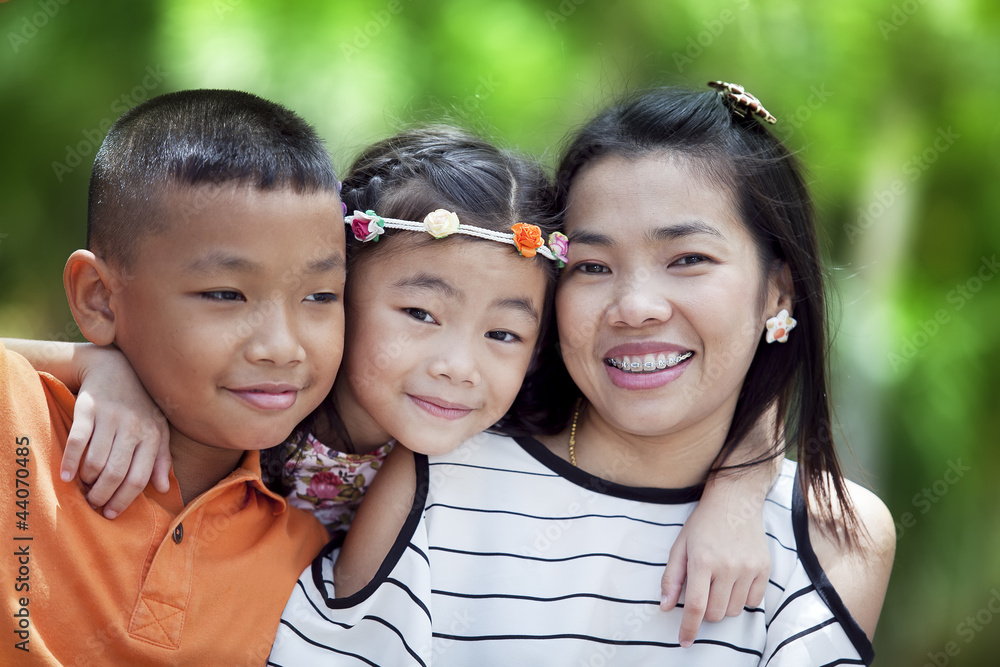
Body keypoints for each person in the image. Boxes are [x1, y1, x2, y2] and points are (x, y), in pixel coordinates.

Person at [12, 125, 783, 652]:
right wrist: (101, 364)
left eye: (504, 333)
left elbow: (732, 388)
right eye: (419, 312)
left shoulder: (506, 427)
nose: (458, 364)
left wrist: (739, 493)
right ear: (338, 289)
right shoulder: (268, 380)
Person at [271, 83, 895, 665]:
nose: (635, 306)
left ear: (778, 292)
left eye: (688, 258)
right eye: (593, 266)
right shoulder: (442, 473)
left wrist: (741, 482)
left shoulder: (833, 537)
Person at [0, 89, 342, 664]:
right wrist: (85, 361)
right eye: (226, 294)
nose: (282, 347)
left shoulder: (305, 549)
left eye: (321, 295)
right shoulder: (17, 419)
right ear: (99, 299)